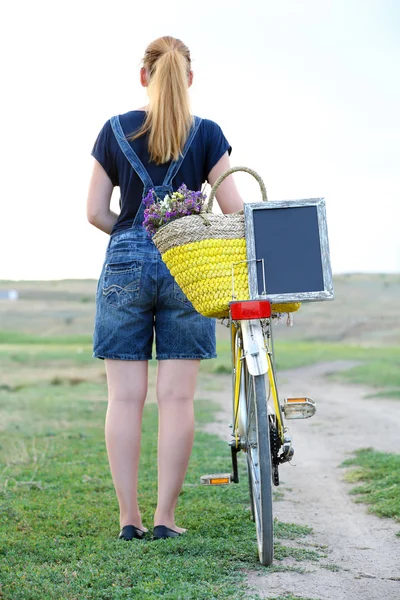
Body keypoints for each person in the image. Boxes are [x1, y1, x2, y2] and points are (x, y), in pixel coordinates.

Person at [87, 36, 243, 541]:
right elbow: (236, 209)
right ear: (189, 79)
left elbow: (94, 212)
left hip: (125, 258)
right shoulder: (208, 134)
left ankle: (127, 519)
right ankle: (164, 518)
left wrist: (132, 234)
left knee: (124, 399)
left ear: (143, 77)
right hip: (188, 263)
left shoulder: (113, 130)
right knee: (177, 399)